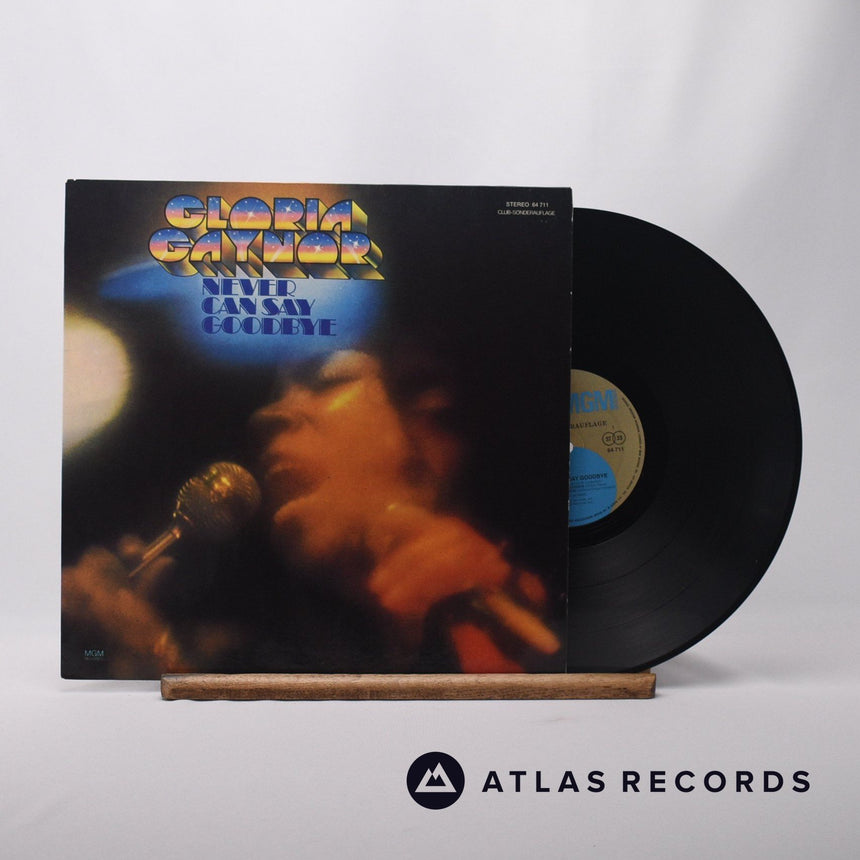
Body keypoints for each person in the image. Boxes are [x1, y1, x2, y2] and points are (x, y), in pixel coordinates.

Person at [62, 350, 560, 678]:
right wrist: (122, 657)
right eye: (275, 397)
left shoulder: (544, 608)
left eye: (327, 380)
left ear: (434, 430)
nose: (269, 414)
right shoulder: (238, 653)